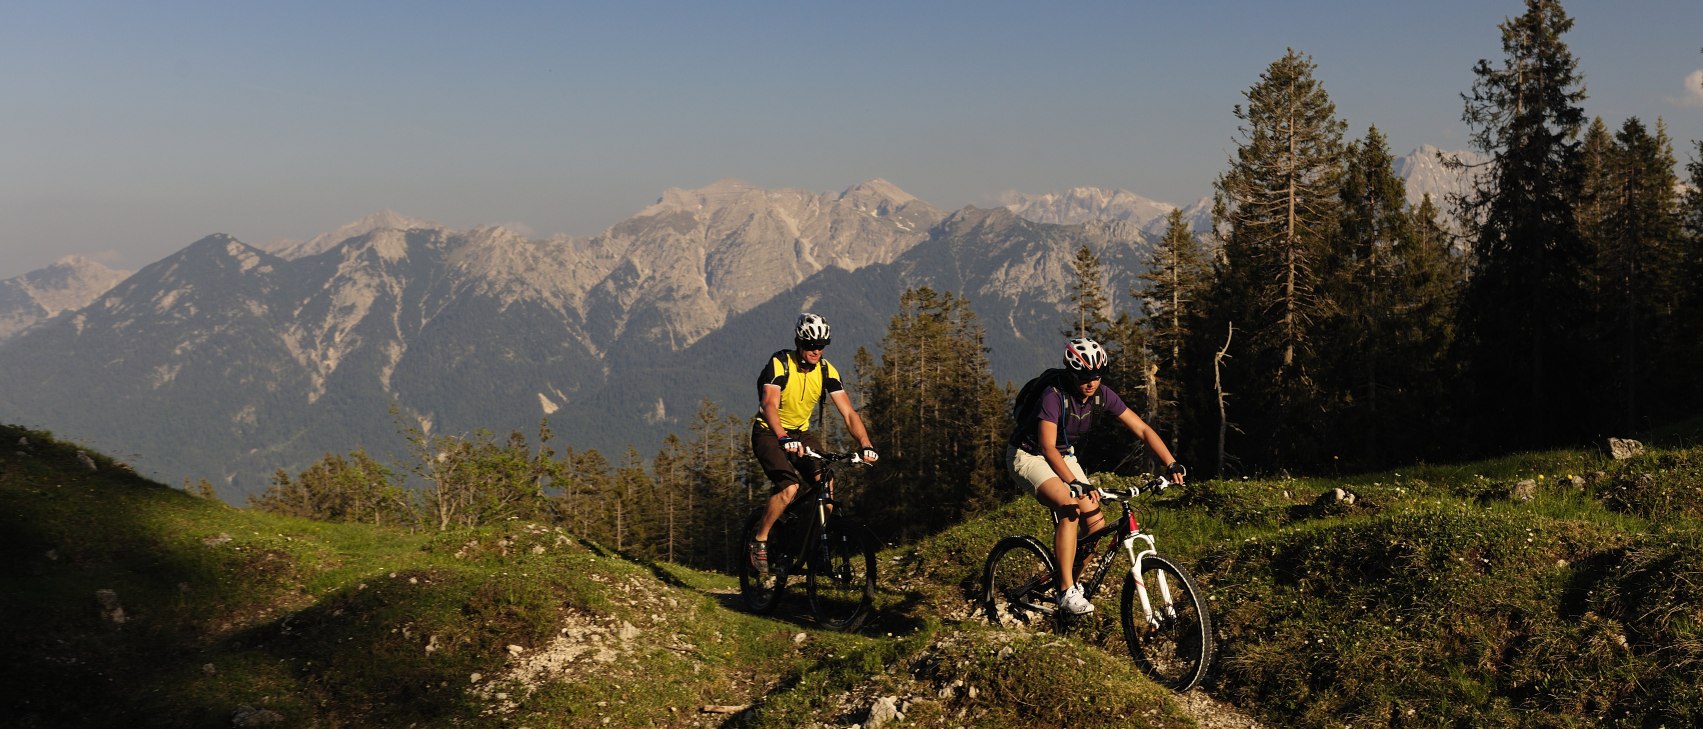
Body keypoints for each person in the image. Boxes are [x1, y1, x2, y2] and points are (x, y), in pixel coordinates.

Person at [1006, 337, 1186, 615]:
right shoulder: (1053, 396)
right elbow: (1047, 448)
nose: (1091, 383)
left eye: (1097, 376)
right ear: (1071, 373)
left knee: (1096, 523)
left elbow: (1143, 430)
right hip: (1029, 456)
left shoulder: (1103, 394)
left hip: (1063, 455)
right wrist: (1074, 482)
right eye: (1084, 377)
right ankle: (1066, 591)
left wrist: (1170, 463)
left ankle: (1069, 587)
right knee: (1070, 507)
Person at [748, 313, 878, 574]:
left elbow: (849, 413)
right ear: (799, 342)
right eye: (810, 345)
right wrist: (783, 438)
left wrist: (866, 444)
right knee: (790, 488)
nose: (816, 350)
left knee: (826, 486)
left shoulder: (826, 370)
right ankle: (760, 539)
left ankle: (814, 548)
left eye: (821, 345)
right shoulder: (781, 364)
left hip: (801, 433)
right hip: (769, 434)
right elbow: (769, 405)